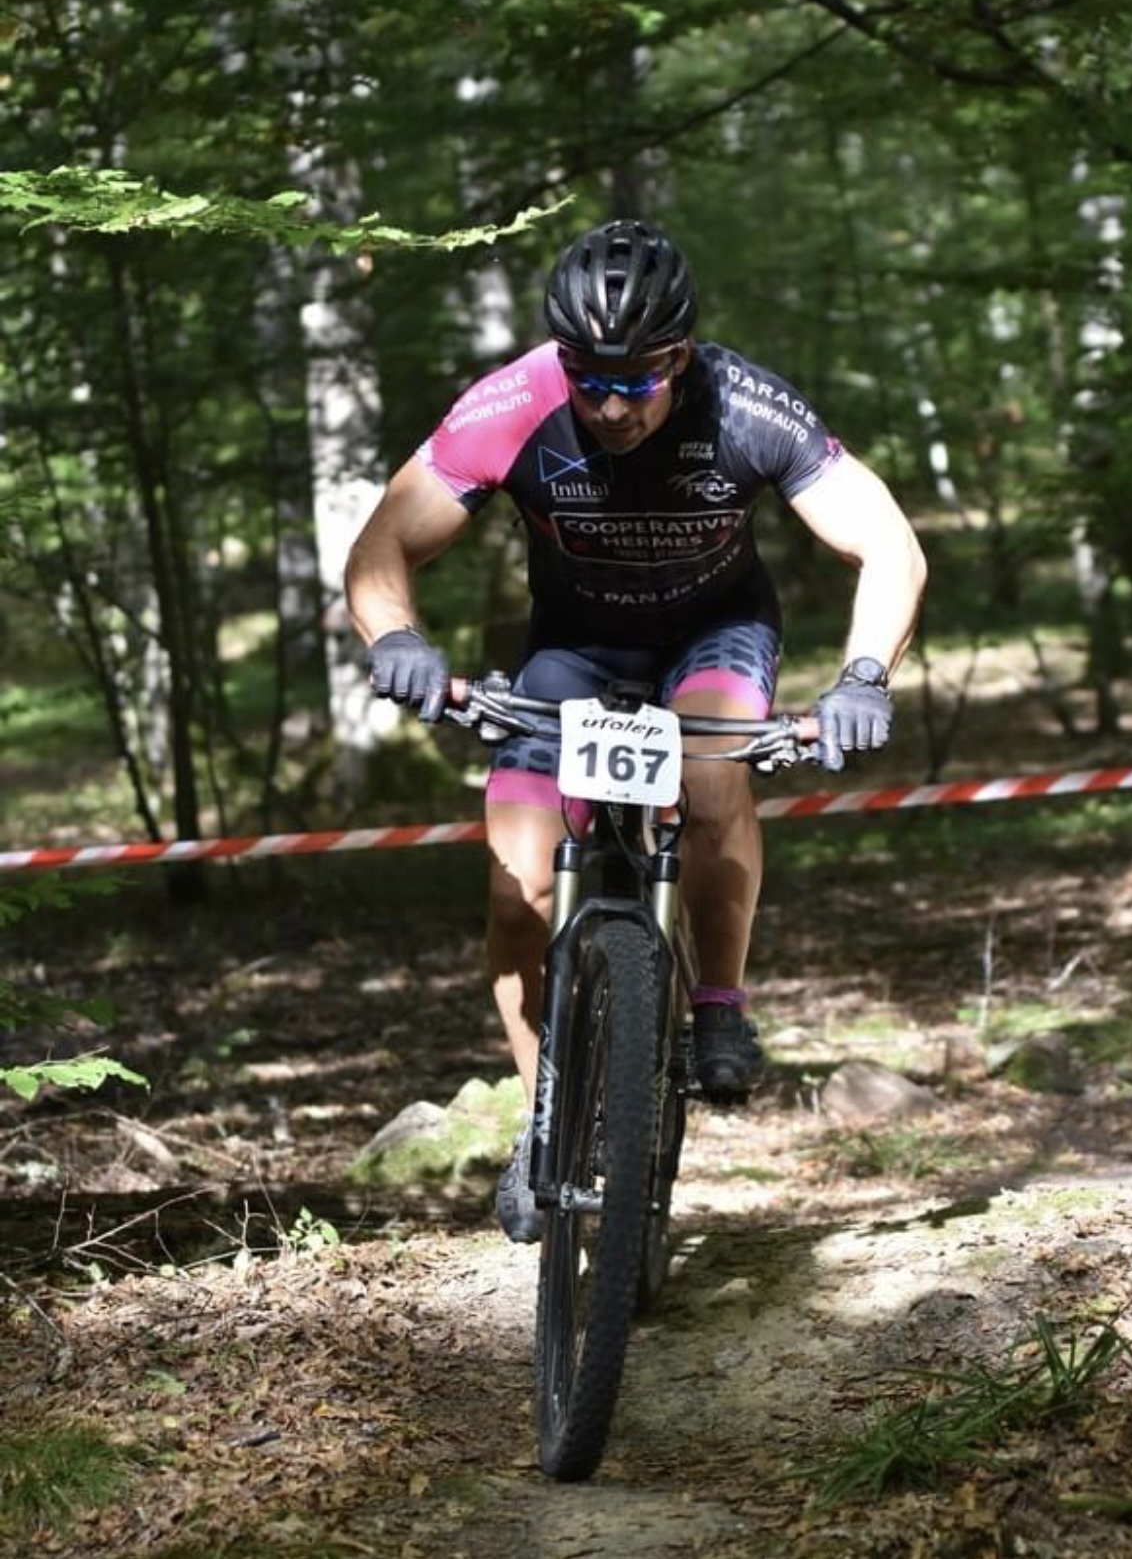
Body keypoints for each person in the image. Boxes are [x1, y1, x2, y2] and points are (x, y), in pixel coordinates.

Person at [344, 218, 927, 1244]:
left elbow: (888, 543)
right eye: (589, 380)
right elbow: (384, 540)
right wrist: (398, 638)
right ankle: (544, 1120)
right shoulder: (514, 405)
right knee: (519, 889)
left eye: (637, 381)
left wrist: (864, 677)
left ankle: (719, 1002)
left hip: (716, 633)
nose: (611, 405)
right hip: (573, 649)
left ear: (681, 356)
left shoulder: (745, 406)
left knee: (711, 775)